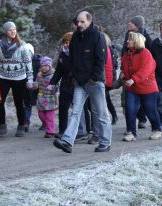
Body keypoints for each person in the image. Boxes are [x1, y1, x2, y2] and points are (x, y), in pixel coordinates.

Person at [53, 11, 112, 153]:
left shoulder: (97, 37)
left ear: (89, 21)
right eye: (77, 22)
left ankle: (105, 141)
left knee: (101, 113)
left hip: (94, 82)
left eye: (82, 22)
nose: (78, 24)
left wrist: (94, 79)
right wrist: (73, 76)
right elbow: (72, 59)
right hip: (79, 82)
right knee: (75, 112)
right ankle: (67, 141)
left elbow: (101, 60)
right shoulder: (75, 38)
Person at [121, 32, 162, 141]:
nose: (127, 41)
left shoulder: (146, 54)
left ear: (136, 41)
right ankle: (131, 132)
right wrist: (122, 75)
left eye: (129, 40)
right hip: (131, 87)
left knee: (150, 110)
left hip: (147, 87)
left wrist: (133, 79)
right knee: (130, 110)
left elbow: (146, 70)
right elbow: (123, 68)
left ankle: (156, 129)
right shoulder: (126, 54)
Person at [0, 21, 34, 138]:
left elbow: (28, 62)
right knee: (0, 101)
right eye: (10, 30)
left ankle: (21, 126)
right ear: (5, 32)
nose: (13, 32)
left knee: (18, 102)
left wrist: (30, 78)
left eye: (14, 29)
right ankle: (2, 126)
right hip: (3, 76)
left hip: (19, 77)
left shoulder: (22, 45)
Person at [122, 15, 152, 128]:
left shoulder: (145, 36)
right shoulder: (128, 34)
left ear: (137, 25)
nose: (129, 24)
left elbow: (149, 51)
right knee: (129, 99)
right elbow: (125, 50)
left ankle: (142, 119)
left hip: (141, 70)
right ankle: (131, 125)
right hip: (129, 69)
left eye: (131, 23)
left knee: (141, 96)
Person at [50, 32, 74, 138]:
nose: (65, 45)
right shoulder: (62, 54)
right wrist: (52, 83)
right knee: (63, 108)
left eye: (68, 42)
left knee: (81, 109)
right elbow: (58, 71)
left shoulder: (78, 53)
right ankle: (62, 130)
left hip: (77, 84)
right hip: (65, 85)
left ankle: (86, 130)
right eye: (64, 42)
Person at [33, 56, 58, 138]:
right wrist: (33, 85)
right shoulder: (39, 75)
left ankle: (50, 132)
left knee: (49, 116)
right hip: (41, 98)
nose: (43, 67)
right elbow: (36, 84)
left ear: (50, 66)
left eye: (46, 66)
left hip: (50, 98)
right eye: (42, 66)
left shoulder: (53, 75)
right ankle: (46, 124)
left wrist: (53, 87)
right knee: (41, 115)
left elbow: (58, 85)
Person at [23, 43, 42, 132]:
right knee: (27, 104)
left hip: (38, 87)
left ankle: (46, 122)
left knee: (41, 105)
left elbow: (44, 73)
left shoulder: (38, 61)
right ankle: (26, 122)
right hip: (25, 86)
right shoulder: (21, 61)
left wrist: (38, 82)